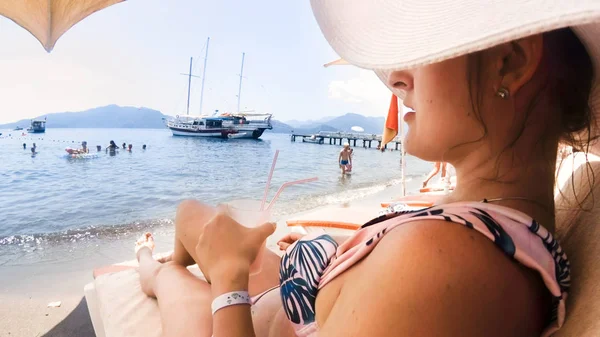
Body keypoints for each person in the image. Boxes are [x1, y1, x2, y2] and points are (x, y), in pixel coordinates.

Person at [132, 3, 599, 337]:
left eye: (422, 46)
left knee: (178, 265)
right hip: (299, 291)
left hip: (242, 317)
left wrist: (229, 280)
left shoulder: (443, 264)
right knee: (192, 216)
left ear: (509, 62)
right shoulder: (485, 224)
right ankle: (166, 262)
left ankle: (150, 267)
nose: (395, 77)